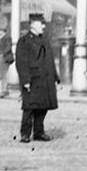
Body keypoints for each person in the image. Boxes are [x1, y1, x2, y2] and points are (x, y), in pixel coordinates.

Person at [15, 12, 60, 142]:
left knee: (43, 107)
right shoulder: (24, 41)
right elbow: (21, 62)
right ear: (33, 25)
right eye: (41, 23)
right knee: (29, 107)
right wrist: (25, 80)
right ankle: (25, 133)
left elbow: (50, 60)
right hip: (32, 79)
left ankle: (39, 133)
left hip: (45, 79)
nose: (43, 26)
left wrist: (55, 77)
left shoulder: (44, 40)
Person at [0, 24, 13, 98]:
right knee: (2, 75)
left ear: (3, 31)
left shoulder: (7, 37)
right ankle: (4, 90)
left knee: (4, 75)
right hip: (1, 58)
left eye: (0, 30)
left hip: (5, 58)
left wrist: (2, 54)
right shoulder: (1, 37)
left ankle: (4, 91)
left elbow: (8, 47)